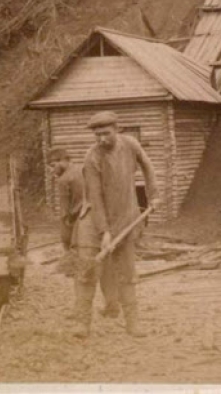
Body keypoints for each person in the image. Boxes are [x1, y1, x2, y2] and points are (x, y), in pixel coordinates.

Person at [76, 111, 162, 339]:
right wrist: (104, 232)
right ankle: (82, 324)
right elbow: (95, 197)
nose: (101, 139)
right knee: (86, 272)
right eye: (97, 135)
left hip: (125, 217)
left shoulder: (131, 145)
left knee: (127, 272)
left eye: (105, 133)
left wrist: (153, 195)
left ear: (117, 129)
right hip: (93, 221)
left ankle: (133, 324)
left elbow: (148, 166)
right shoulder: (92, 157)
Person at [49, 148, 119, 322]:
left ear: (63, 160)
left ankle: (79, 309)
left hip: (79, 227)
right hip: (101, 223)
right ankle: (112, 306)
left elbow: (65, 214)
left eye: (53, 165)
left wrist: (65, 239)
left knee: (80, 269)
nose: (52, 170)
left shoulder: (64, 180)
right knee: (106, 267)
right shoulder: (84, 170)